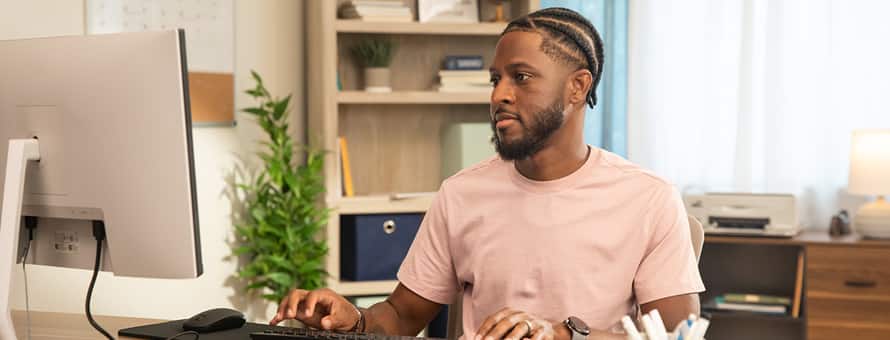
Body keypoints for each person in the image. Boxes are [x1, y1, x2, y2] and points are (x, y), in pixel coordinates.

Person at [270, 7, 704, 340]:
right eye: (495, 79)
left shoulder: (648, 197)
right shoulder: (462, 193)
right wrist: (356, 320)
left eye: (521, 77)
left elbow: (673, 333)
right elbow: (402, 315)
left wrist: (562, 333)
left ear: (578, 86)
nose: (499, 95)